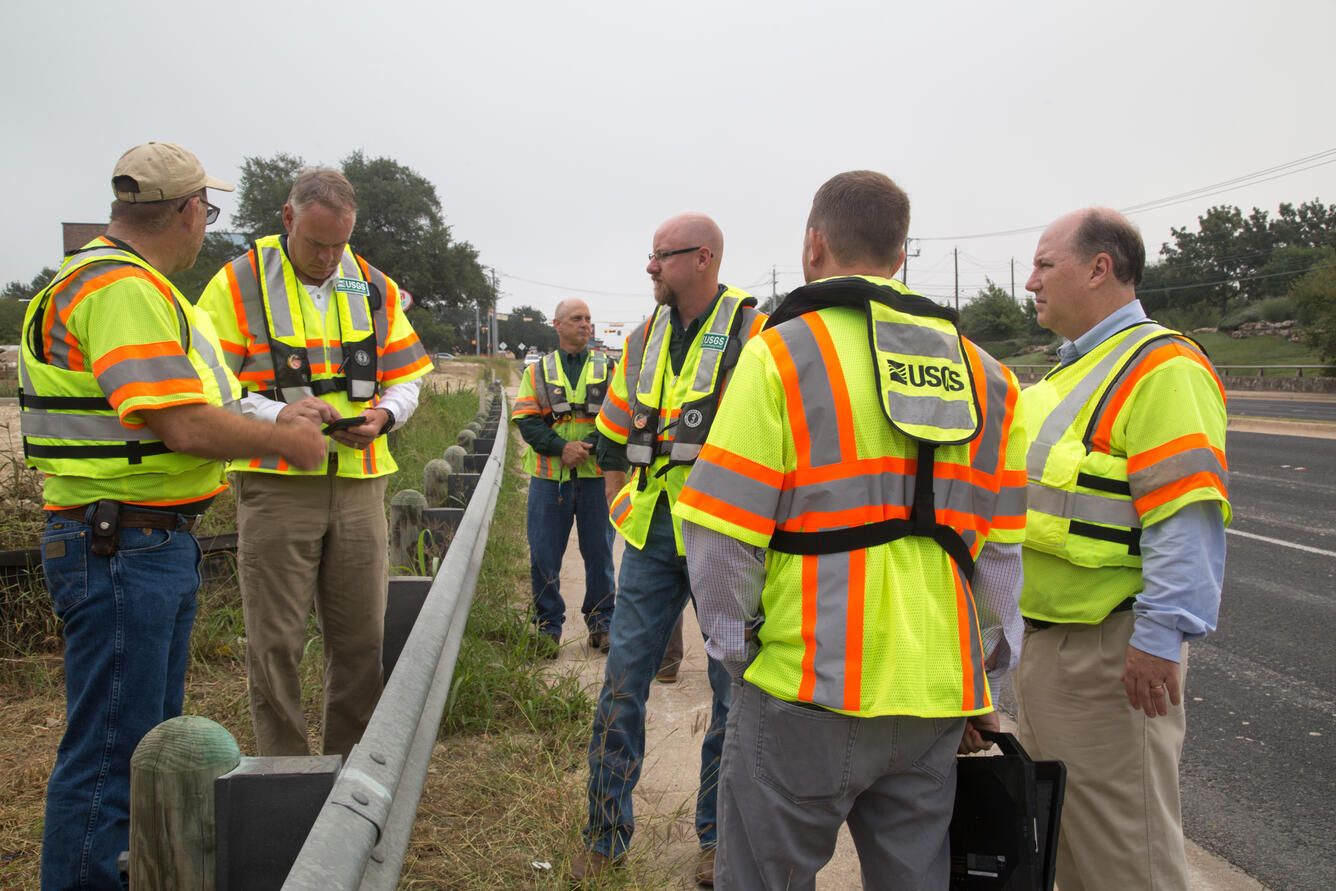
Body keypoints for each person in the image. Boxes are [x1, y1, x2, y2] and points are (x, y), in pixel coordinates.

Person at [674, 170, 1029, 890]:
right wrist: (982, 671)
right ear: (901, 256)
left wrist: (738, 652)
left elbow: (720, 542)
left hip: (804, 681)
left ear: (813, 245)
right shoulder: (990, 375)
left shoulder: (781, 352)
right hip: (935, 693)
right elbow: (1001, 558)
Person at [21, 142, 327, 890]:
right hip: (121, 546)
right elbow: (183, 424)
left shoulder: (127, 286)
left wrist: (274, 412)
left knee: (142, 750)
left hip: (135, 542)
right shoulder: (122, 289)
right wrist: (290, 444)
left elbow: (207, 401)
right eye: (207, 212)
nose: (205, 227)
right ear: (190, 211)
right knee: (112, 757)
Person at [1013, 207, 1230, 890]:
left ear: (1100, 268)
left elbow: (1184, 513)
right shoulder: (1066, 375)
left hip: (1110, 658)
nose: (1029, 282)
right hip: (1050, 651)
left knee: (1129, 864)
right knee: (1074, 858)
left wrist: (1160, 635)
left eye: (1045, 265)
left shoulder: (1162, 367)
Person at [198, 168, 432, 758]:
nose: (328, 257)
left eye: (339, 244)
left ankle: (348, 775)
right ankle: (283, 773)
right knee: (274, 642)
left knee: (360, 640)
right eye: (316, 243)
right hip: (277, 484)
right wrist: (277, 415)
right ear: (287, 218)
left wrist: (383, 416)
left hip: (360, 484)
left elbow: (407, 378)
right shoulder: (236, 282)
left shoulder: (374, 284)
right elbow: (206, 382)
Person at [570, 213, 766, 887]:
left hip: (727, 537)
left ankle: (717, 841)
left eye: (662, 256)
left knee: (731, 695)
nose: (650, 267)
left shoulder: (754, 331)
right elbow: (612, 439)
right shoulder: (645, 336)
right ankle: (605, 832)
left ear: (702, 258)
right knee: (623, 681)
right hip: (653, 533)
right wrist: (625, 509)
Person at [510, 298, 616, 654]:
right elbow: (526, 420)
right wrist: (561, 448)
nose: (585, 324)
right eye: (577, 319)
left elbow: (620, 418)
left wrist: (584, 447)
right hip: (547, 480)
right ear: (557, 324)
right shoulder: (536, 372)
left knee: (600, 554)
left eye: (588, 318)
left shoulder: (609, 368)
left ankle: (602, 624)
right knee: (544, 555)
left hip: (595, 478)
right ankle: (547, 628)